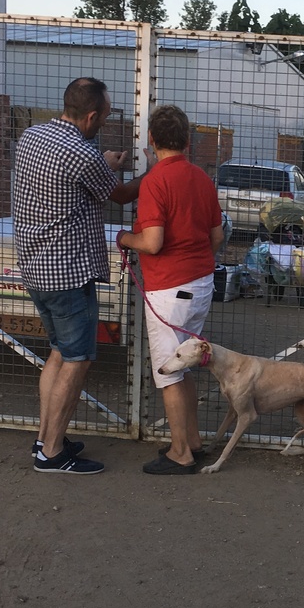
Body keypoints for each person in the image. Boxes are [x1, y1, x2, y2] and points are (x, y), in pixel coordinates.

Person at [12, 77, 144, 475]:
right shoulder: (83, 154)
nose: (103, 123)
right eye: (103, 117)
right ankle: (53, 453)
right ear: (91, 116)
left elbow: (70, 178)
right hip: (68, 274)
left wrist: (104, 164)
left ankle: (45, 438)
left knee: (59, 353)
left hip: (36, 268)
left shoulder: (32, 137)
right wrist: (158, 173)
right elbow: (121, 195)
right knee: (77, 360)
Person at [116, 105, 225, 476]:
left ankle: (180, 453)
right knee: (184, 363)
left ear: (151, 139)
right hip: (201, 284)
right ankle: (191, 441)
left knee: (168, 371)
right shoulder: (202, 178)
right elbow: (216, 237)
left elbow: (152, 242)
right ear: (187, 140)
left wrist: (124, 238)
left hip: (169, 289)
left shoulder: (155, 181)